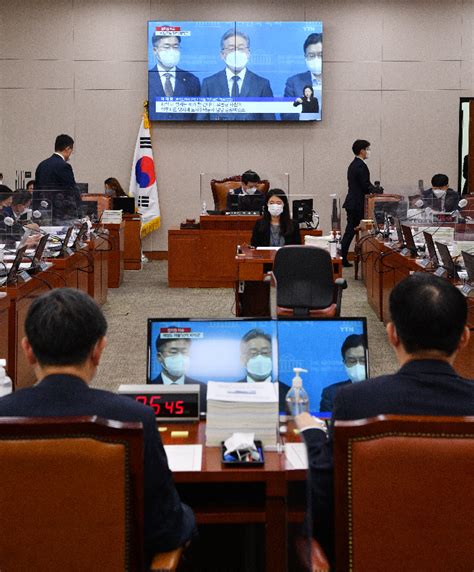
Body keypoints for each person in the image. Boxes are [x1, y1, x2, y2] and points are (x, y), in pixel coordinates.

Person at [0, 288, 196, 563]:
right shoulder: (135, 418)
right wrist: (189, 515)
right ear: (99, 350)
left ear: (28, 350)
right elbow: (165, 529)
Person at [295, 273, 474, 563]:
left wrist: (313, 434)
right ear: (464, 337)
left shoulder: (356, 402)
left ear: (392, 334)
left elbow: (323, 498)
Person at [199, 29, 274, 121]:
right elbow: (202, 121)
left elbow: (269, 123)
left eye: (241, 48)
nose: (236, 53)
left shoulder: (262, 84)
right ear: (222, 54)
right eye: (231, 49)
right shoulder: (209, 83)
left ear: (248, 54)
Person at [148, 33, 200, 121]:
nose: (172, 51)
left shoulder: (192, 80)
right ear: (155, 50)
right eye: (166, 47)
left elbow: (197, 115)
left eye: (176, 47)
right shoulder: (146, 78)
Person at [340, 139, 375, 267]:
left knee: (350, 230)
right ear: (362, 150)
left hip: (353, 202)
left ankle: (342, 256)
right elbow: (365, 185)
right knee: (350, 231)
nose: (368, 152)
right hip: (356, 204)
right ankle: (342, 257)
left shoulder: (354, 164)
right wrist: (375, 190)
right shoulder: (360, 165)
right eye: (368, 149)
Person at [150, 335, 207, 412]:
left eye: (184, 352)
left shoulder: (203, 390)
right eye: (174, 352)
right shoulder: (148, 389)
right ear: (159, 357)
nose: (180, 357)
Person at [237, 328, 289, 410]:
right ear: (243, 359)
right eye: (253, 353)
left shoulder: (288, 394)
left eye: (265, 353)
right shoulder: (233, 390)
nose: (260, 358)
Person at [319, 334, 367, 413]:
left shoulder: (382, 390)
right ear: (344, 362)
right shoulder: (331, 394)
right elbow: (327, 424)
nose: (358, 366)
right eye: (352, 361)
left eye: (363, 360)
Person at [282, 33, 322, 121]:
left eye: (320, 55)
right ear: (305, 57)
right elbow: (286, 115)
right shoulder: (293, 82)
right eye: (311, 56)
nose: (316, 59)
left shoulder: (340, 81)